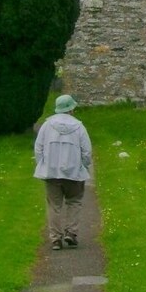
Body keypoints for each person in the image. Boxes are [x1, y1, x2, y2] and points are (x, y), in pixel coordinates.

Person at [34, 94, 92, 250]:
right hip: (74, 172)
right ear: (71, 109)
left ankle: (55, 239)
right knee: (74, 201)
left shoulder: (47, 125)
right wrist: (84, 166)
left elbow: (38, 148)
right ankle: (71, 233)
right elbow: (86, 151)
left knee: (54, 205)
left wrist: (43, 164)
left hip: (52, 172)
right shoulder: (79, 127)